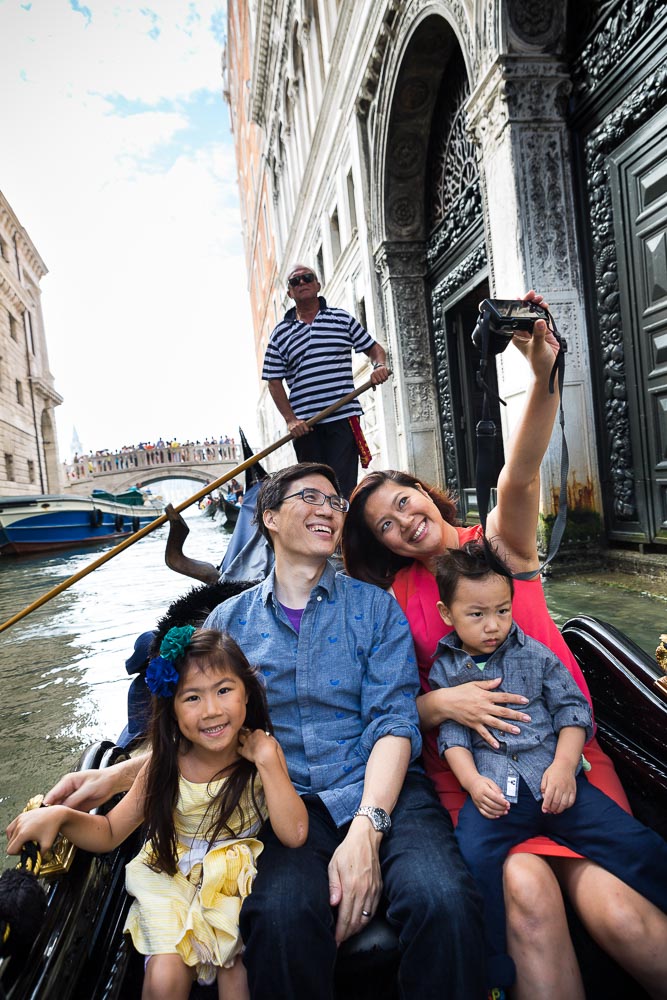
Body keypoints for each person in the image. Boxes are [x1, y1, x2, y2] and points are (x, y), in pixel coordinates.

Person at [43, 462, 486, 1000]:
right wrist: (117, 779)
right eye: (311, 497)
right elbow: (207, 732)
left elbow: (393, 721)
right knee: (278, 917)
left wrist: (368, 828)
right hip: (283, 800)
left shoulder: (376, 609)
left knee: (443, 898)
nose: (328, 508)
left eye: (336, 502)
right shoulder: (227, 623)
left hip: (385, 787)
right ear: (269, 518)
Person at [341, 291, 667, 1000]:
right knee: (525, 887)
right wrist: (438, 703)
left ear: (425, 496)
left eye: (404, 502)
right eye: (384, 526)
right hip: (475, 781)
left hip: (563, 761)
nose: (401, 522)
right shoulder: (385, 603)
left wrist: (543, 370)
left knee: (614, 908)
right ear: (379, 546)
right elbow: (388, 704)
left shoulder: (496, 550)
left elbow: (517, 475)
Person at [7, 627, 307, 1000]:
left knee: (237, 979)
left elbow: (294, 834)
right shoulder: (163, 766)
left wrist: (268, 761)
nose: (212, 710)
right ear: (173, 709)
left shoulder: (260, 757)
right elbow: (110, 830)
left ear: (247, 692)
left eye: (224, 690)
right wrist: (61, 818)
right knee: (165, 977)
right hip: (171, 877)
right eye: (193, 697)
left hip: (232, 882)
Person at [429, 540, 667, 995]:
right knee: (474, 865)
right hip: (497, 798)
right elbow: (452, 738)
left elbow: (573, 711)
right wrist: (473, 782)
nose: (494, 625)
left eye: (502, 610)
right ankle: (493, 973)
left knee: (636, 842)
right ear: (447, 614)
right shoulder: (446, 670)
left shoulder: (535, 654)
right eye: (477, 615)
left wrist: (562, 767)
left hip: (558, 787)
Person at [262, 263, 390, 497]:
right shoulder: (280, 334)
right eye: (295, 281)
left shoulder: (341, 319)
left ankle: (345, 532)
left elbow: (374, 349)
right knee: (314, 489)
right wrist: (291, 420)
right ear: (290, 293)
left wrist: (378, 365)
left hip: (343, 416)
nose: (302, 283)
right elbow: (273, 381)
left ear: (318, 285)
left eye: (307, 278)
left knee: (342, 485)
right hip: (305, 426)